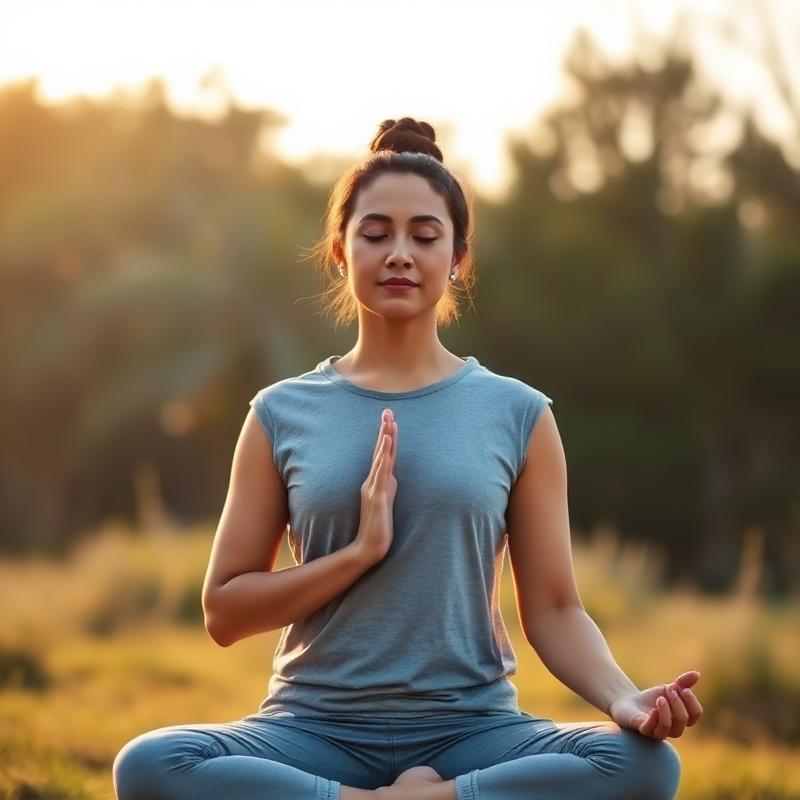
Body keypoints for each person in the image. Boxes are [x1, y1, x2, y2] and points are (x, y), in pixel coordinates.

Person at [112, 117, 702, 800]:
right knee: (152, 765)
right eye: (375, 234)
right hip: (311, 728)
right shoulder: (279, 413)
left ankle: (428, 796)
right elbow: (225, 611)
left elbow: (556, 608)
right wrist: (356, 555)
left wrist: (625, 701)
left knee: (645, 767)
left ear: (458, 257)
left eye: (424, 236)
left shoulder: (518, 414)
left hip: (471, 729)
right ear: (340, 250)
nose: (399, 253)